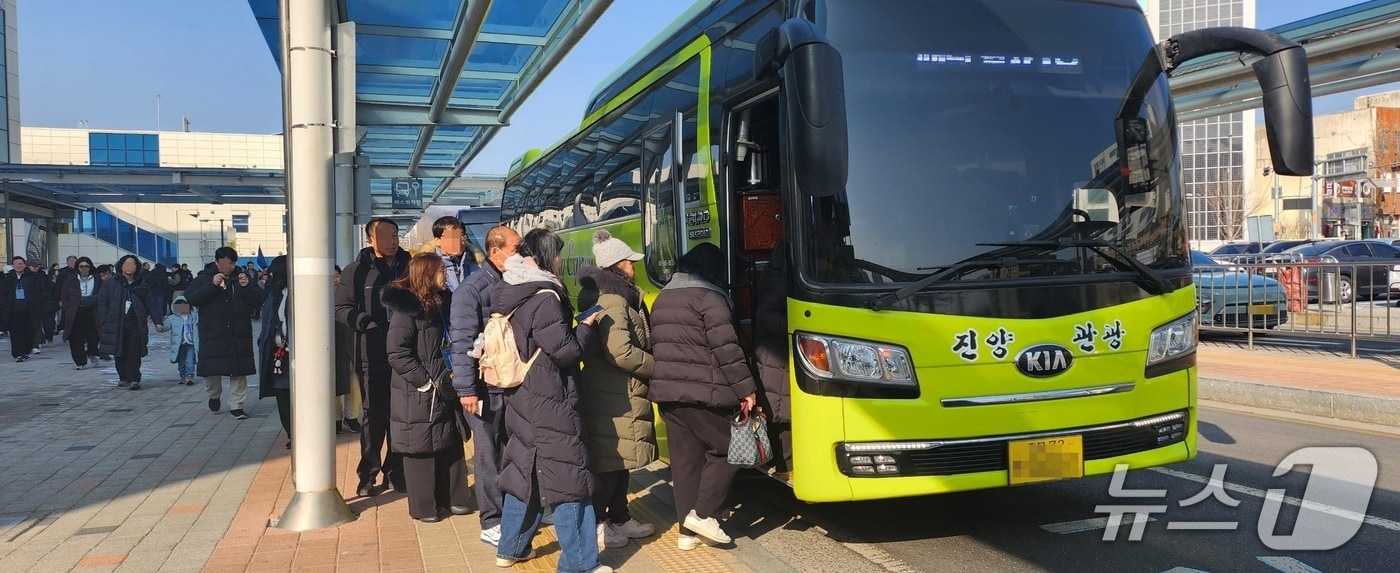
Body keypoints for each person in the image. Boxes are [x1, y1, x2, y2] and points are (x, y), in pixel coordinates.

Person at [490, 228, 610, 573]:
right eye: (557, 253)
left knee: (526, 470)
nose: (559, 260)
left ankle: (510, 548)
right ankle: (580, 563)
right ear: (545, 256)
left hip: (522, 393)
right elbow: (567, 351)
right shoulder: (545, 296)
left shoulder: (511, 288)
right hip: (549, 397)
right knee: (569, 478)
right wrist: (586, 325)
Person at [648, 242, 756, 550]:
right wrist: (746, 389)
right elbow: (728, 350)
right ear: (713, 270)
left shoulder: (664, 297)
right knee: (732, 449)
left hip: (669, 395)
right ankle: (704, 514)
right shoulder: (710, 298)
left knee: (685, 464)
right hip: (704, 394)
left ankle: (687, 534)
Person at [576, 230, 656, 548]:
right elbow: (620, 351)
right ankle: (598, 524)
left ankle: (620, 518)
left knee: (620, 461)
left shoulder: (613, 298)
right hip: (613, 393)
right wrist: (654, 366)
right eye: (629, 262)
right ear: (618, 266)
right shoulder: (612, 300)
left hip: (616, 391)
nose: (634, 267)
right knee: (610, 464)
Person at [382, 253, 472, 522]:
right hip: (419, 390)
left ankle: (454, 499)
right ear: (426, 274)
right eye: (441, 269)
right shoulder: (405, 310)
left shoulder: (442, 303)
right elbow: (397, 353)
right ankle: (424, 507)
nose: (446, 274)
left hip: (445, 384)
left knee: (450, 439)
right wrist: (423, 382)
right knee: (420, 446)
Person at [448, 225, 521, 546]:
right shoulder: (473, 289)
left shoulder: (514, 282)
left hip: (511, 383)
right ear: (496, 252)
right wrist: (465, 389)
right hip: (483, 386)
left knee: (513, 451)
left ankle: (517, 510)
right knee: (488, 455)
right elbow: (462, 342)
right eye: (517, 249)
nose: (522, 256)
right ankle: (492, 519)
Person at [335, 218, 412, 497]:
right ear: (370, 240)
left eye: (395, 234)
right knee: (373, 416)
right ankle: (367, 473)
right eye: (384, 236)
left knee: (402, 416)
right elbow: (341, 308)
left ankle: (396, 472)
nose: (392, 241)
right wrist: (365, 322)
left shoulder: (409, 267)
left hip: (407, 353)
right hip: (371, 353)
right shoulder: (355, 271)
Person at [185, 247, 266, 419]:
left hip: (239, 332)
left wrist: (247, 287)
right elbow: (192, 298)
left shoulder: (242, 278)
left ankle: (237, 405)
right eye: (224, 263)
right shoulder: (203, 278)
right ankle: (214, 395)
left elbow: (260, 300)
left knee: (239, 370)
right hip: (212, 333)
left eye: (231, 263)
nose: (228, 267)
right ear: (216, 262)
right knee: (211, 372)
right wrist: (212, 285)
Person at [753, 240, 793, 481]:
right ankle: (785, 467)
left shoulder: (775, 275)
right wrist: (797, 327)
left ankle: (786, 465)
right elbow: (766, 316)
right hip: (776, 355)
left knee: (782, 412)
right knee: (782, 413)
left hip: (775, 354)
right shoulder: (780, 280)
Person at [96, 255, 165, 389]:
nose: (128, 267)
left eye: (132, 264)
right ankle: (123, 377)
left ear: (136, 267)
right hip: (116, 322)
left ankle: (134, 378)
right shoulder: (110, 283)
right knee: (119, 351)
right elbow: (102, 302)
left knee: (134, 350)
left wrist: (157, 321)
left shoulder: (141, 283)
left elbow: (150, 303)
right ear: (120, 266)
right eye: (126, 264)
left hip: (135, 321)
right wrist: (104, 320)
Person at [257, 256, 293, 446]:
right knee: (282, 394)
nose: (271, 277)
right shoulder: (275, 294)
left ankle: (302, 434)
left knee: (301, 396)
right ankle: (291, 434)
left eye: (275, 273)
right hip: (279, 354)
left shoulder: (302, 293)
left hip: (301, 355)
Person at [1, 256, 50, 361]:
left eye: (21, 263)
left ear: (24, 265)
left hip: (29, 310)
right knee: (15, 333)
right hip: (14, 310)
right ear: (13, 265)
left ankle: (25, 351)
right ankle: (17, 354)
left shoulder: (32, 277)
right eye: (16, 263)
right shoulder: (8, 278)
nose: (19, 265)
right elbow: (4, 294)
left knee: (28, 332)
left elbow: (39, 292)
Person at [333, 265, 362, 434]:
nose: (334, 280)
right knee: (334, 385)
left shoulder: (351, 296)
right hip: (331, 348)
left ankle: (351, 417)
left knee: (354, 384)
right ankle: (336, 418)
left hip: (351, 345)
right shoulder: (319, 298)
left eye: (337, 276)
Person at [62, 257, 103, 370]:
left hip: (92, 310)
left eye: (86, 266)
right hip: (76, 311)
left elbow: (102, 293)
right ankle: (80, 361)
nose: (84, 268)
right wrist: (68, 307)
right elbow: (64, 295)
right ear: (77, 268)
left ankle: (92, 352)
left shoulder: (97, 279)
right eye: (81, 266)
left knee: (93, 336)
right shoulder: (71, 280)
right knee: (76, 338)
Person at [432, 216, 476, 292]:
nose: (458, 241)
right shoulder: (429, 269)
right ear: (437, 241)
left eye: (461, 236)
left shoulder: (477, 265)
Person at [165, 295, 199, 386]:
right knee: (181, 361)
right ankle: (182, 375)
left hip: (191, 342)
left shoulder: (194, 316)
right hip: (179, 344)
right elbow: (166, 326)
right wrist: (160, 326)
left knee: (189, 360)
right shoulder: (173, 318)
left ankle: (189, 376)